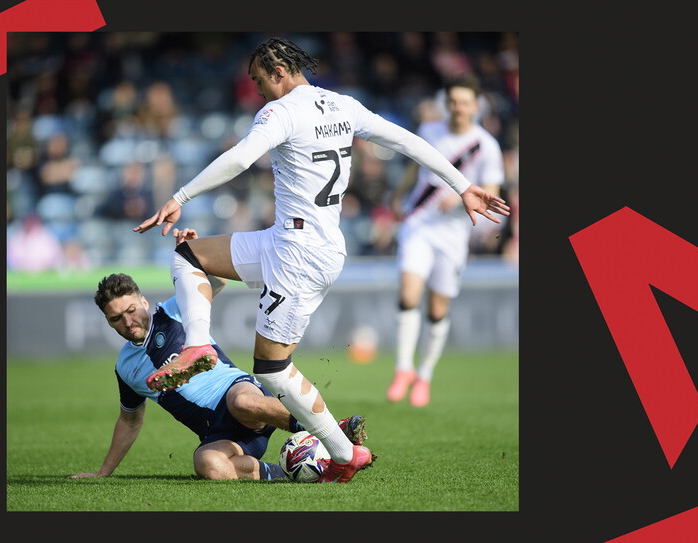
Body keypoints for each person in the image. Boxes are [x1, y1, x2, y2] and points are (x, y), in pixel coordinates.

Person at [133, 37, 509, 483]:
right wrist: (462, 184)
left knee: (271, 370)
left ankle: (345, 453)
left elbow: (239, 158)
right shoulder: (342, 105)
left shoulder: (281, 111)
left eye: (258, 81)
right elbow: (407, 140)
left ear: (277, 71)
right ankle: (197, 345)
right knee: (190, 255)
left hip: (299, 255)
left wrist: (181, 195)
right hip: (291, 241)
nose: (258, 91)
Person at [70, 229, 367, 481]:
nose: (127, 321)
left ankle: (330, 431)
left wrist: (191, 263)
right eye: (116, 318)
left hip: (238, 394)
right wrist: (103, 472)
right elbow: (130, 421)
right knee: (207, 464)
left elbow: (217, 283)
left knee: (241, 402)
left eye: (131, 310)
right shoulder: (125, 368)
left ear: (144, 302)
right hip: (221, 433)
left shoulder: (173, 311)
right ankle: (285, 472)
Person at [386, 75, 505, 407]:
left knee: (438, 309)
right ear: (447, 103)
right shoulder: (429, 132)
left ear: (475, 106)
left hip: (453, 234)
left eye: (465, 102)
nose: (458, 108)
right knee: (408, 293)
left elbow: (492, 192)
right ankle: (403, 368)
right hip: (419, 224)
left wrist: (460, 195)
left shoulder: (487, 146)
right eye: (453, 101)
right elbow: (415, 169)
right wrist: (398, 194)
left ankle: (424, 374)